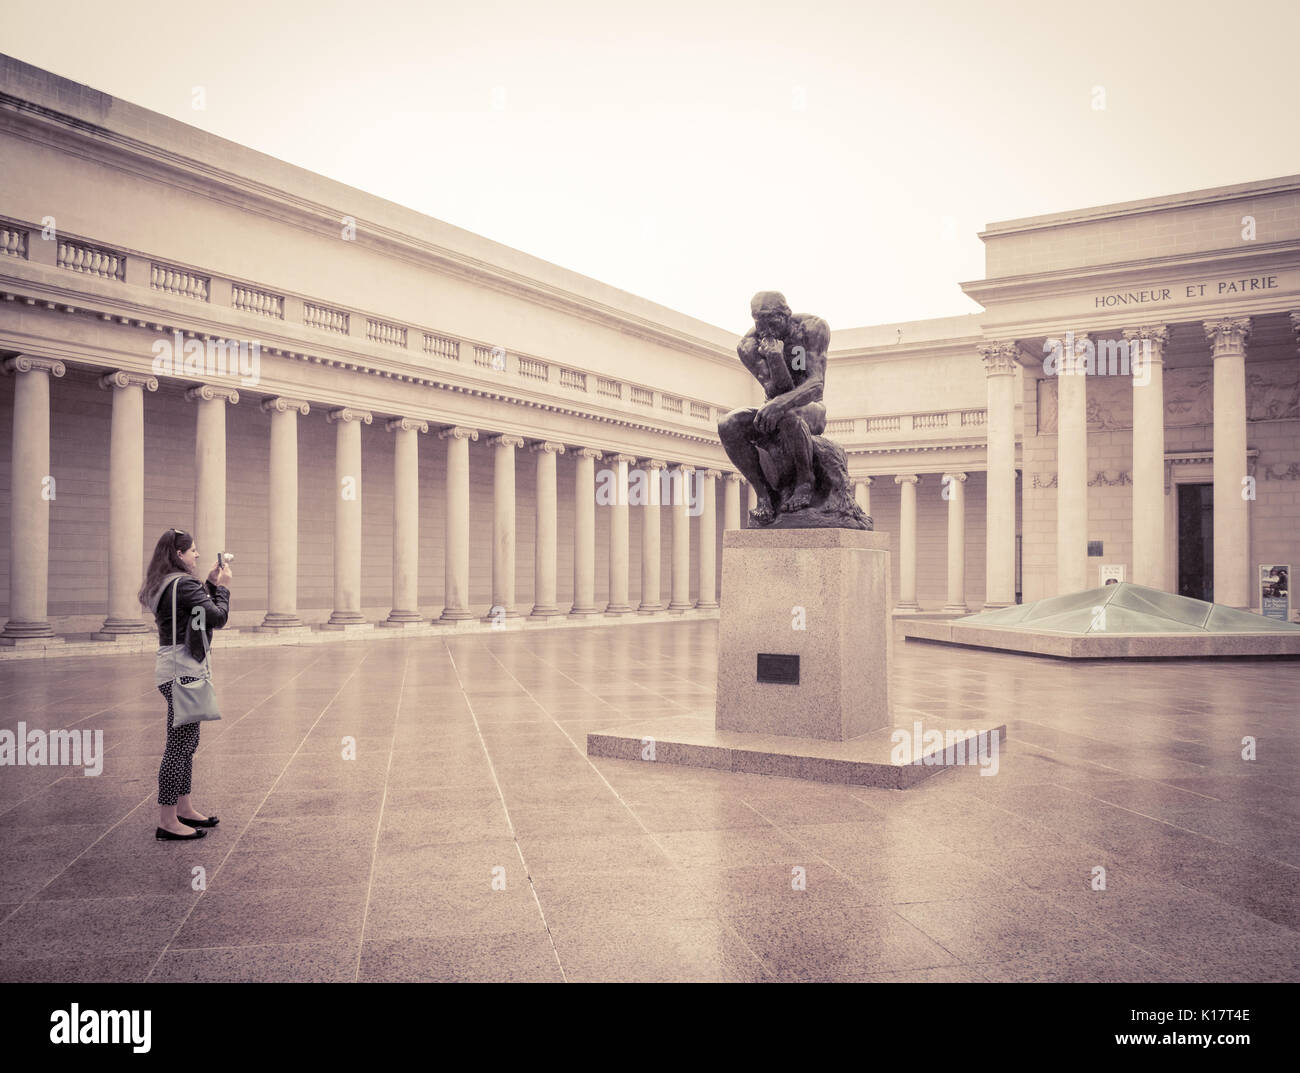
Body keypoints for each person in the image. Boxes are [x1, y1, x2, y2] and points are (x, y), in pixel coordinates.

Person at [138, 529, 232, 841]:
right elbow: (215, 617)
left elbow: (191, 610)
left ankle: (184, 807)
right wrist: (222, 589)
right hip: (184, 671)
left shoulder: (165, 583)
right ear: (178, 554)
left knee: (187, 744)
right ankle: (167, 820)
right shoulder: (184, 583)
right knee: (179, 747)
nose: (197, 555)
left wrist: (207, 585)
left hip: (171, 667)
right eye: (192, 550)